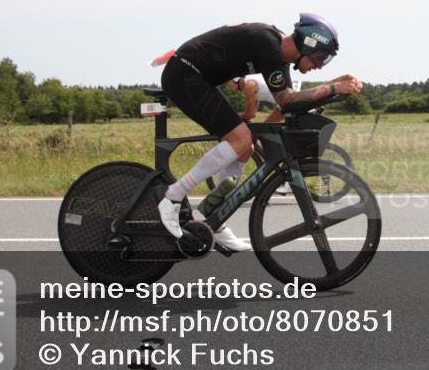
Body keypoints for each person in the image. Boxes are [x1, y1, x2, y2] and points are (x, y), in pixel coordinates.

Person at [154, 14, 363, 251]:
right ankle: (172, 195)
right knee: (241, 139)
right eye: (320, 58)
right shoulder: (268, 45)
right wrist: (334, 87)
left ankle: (216, 219)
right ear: (309, 44)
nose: (318, 65)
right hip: (184, 74)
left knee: (245, 149)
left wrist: (337, 83)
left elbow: (291, 102)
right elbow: (286, 101)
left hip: (196, 77)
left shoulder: (278, 57)